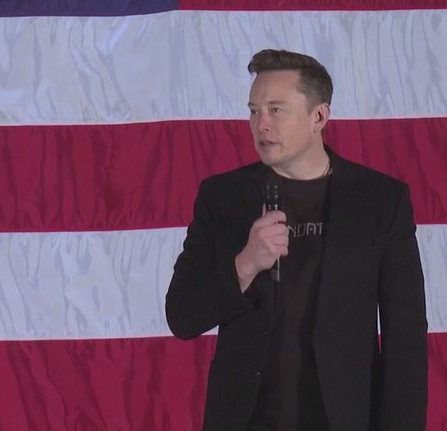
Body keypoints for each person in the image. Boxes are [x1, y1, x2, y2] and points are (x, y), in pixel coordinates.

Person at [166, 49, 427, 431]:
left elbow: (406, 338)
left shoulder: (380, 200)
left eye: (276, 110)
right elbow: (182, 315)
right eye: (254, 111)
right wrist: (245, 264)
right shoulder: (223, 197)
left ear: (318, 116)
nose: (261, 125)